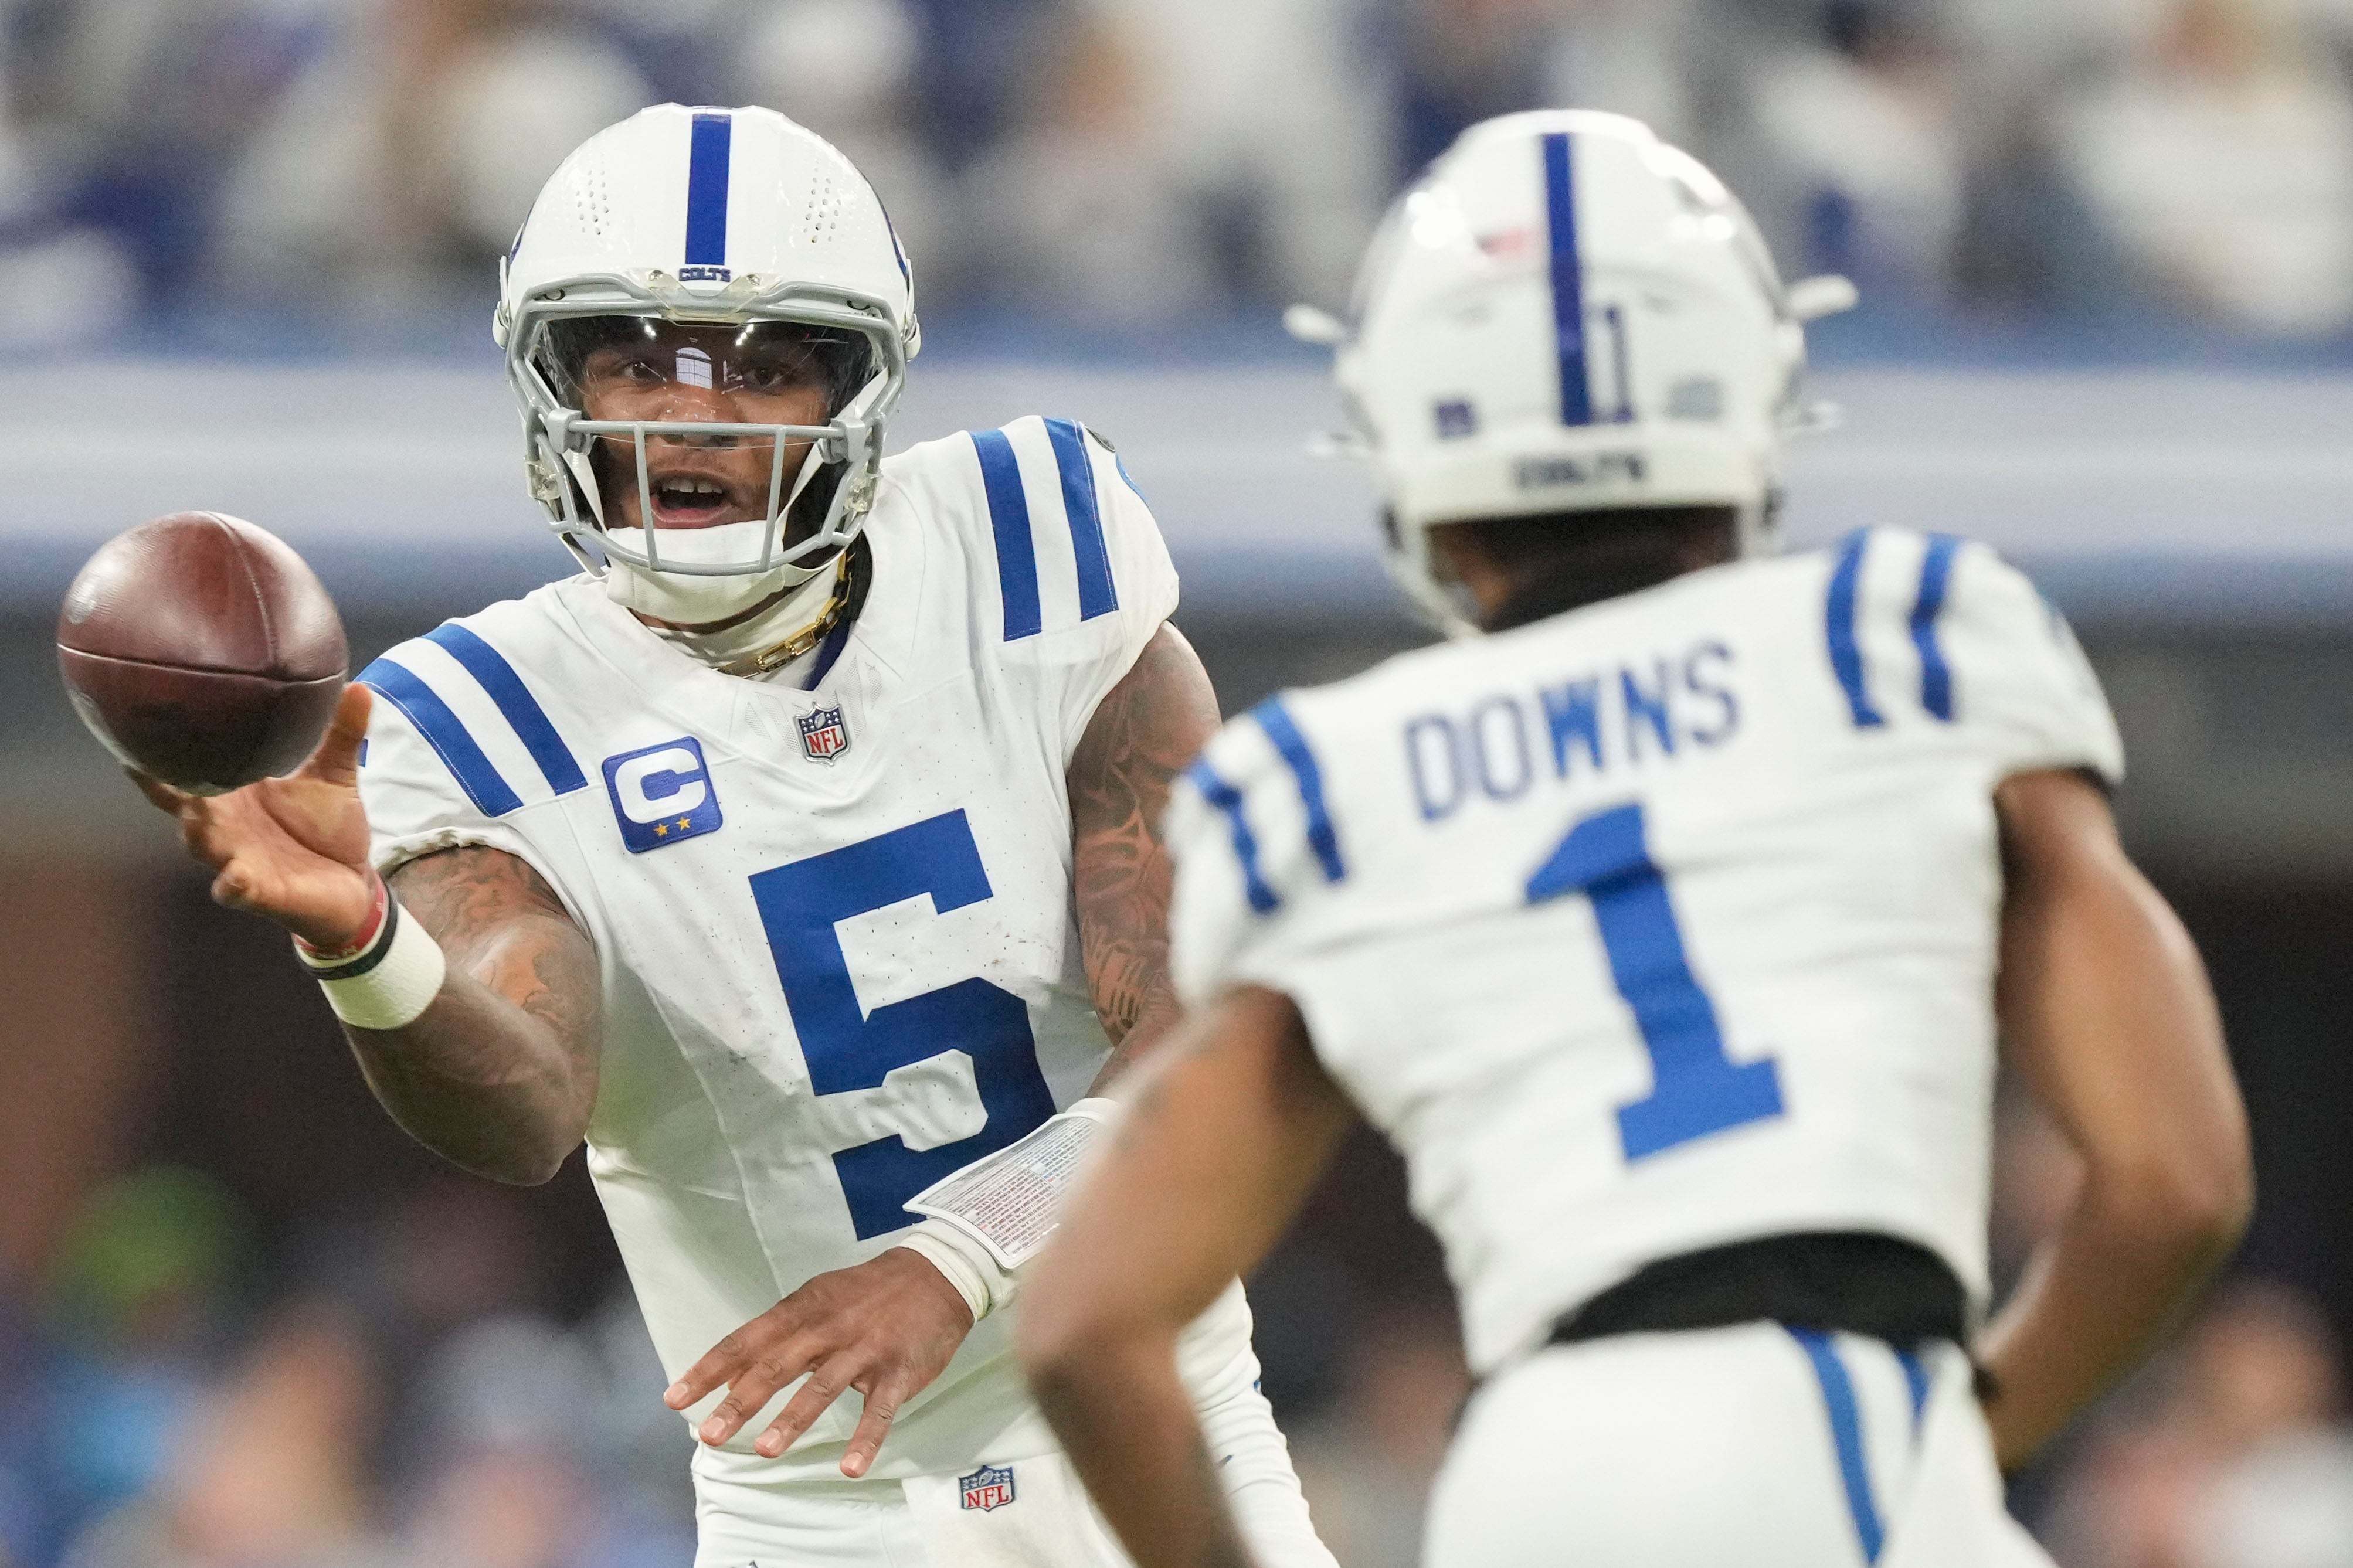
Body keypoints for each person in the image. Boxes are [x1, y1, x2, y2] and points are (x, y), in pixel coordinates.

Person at [1017, 110, 2254, 1568]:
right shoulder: (1905, 640)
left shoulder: (1326, 773)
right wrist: (1970, 1438)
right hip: (1846, 1408)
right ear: (1750, 389)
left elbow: (1088, 1326)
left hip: (1527, 1480)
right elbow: (2176, 1183)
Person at [136, 104, 1335, 1568]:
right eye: (635, 359)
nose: (689, 414)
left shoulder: (1028, 542)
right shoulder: (478, 715)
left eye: (761, 367)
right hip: (821, 1520)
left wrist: (956, 1257)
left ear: (858, 390)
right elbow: (527, 1108)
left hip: (1164, 1433)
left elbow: (1208, 1036)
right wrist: (368, 948)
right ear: (553, 380)